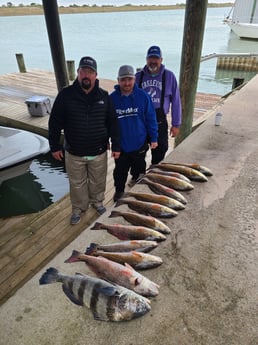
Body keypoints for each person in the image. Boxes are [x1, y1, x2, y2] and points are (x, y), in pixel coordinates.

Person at [48, 56, 120, 225]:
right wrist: (54, 146)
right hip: (74, 152)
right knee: (77, 184)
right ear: (78, 73)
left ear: (96, 75)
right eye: (83, 71)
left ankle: (97, 202)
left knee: (98, 181)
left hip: (98, 151)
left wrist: (116, 144)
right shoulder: (65, 95)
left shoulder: (104, 96)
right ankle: (78, 208)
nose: (86, 75)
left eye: (90, 72)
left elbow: (113, 123)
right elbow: (55, 122)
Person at [110, 65, 158, 202]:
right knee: (119, 171)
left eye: (129, 79)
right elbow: (107, 123)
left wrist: (154, 137)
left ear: (134, 79)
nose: (126, 83)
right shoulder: (112, 99)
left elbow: (151, 118)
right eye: (123, 80)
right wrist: (108, 142)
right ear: (118, 80)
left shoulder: (143, 97)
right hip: (121, 145)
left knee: (139, 167)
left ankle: (136, 183)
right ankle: (119, 191)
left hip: (140, 142)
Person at [135, 45, 182, 165]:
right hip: (141, 122)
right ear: (146, 59)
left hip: (159, 121)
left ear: (161, 60)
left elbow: (176, 101)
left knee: (161, 149)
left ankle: (155, 171)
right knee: (138, 151)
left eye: (156, 58)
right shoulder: (138, 77)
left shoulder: (169, 76)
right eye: (150, 58)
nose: (153, 61)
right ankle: (138, 175)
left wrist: (176, 124)